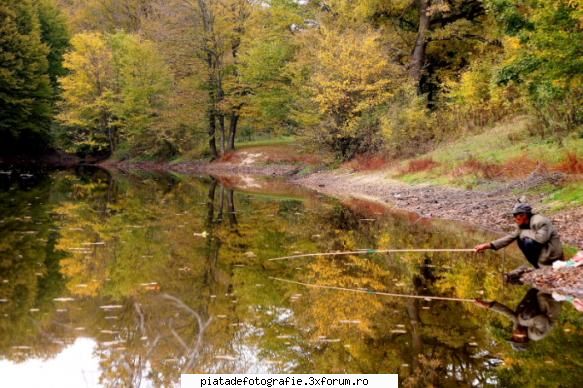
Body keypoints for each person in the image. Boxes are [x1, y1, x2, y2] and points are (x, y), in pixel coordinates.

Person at [474, 202, 564, 268]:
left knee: (526, 241)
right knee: (520, 240)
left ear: (524, 215)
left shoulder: (540, 221)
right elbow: (510, 237)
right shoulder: (523, 225)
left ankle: (544, 265)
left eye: (517, 216)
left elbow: (541, 239)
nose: (515, 219)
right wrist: (487, 245)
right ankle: (537, 266)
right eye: (515, 216)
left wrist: (524, 233)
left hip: (552, 254)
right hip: (543, 251)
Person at [475, 288, 562, 346]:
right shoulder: (536, 335)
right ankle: (545, 291)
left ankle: (536, 288)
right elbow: (540, 319)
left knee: (520, 315)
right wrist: (521, 320)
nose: (515, 334)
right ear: (524, 339)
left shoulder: (519, 328)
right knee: (525, 316)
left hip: (537, 300)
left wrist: (487, 305)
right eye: (517, 338)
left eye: (513, 336)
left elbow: (509, 314)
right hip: (550, 303)